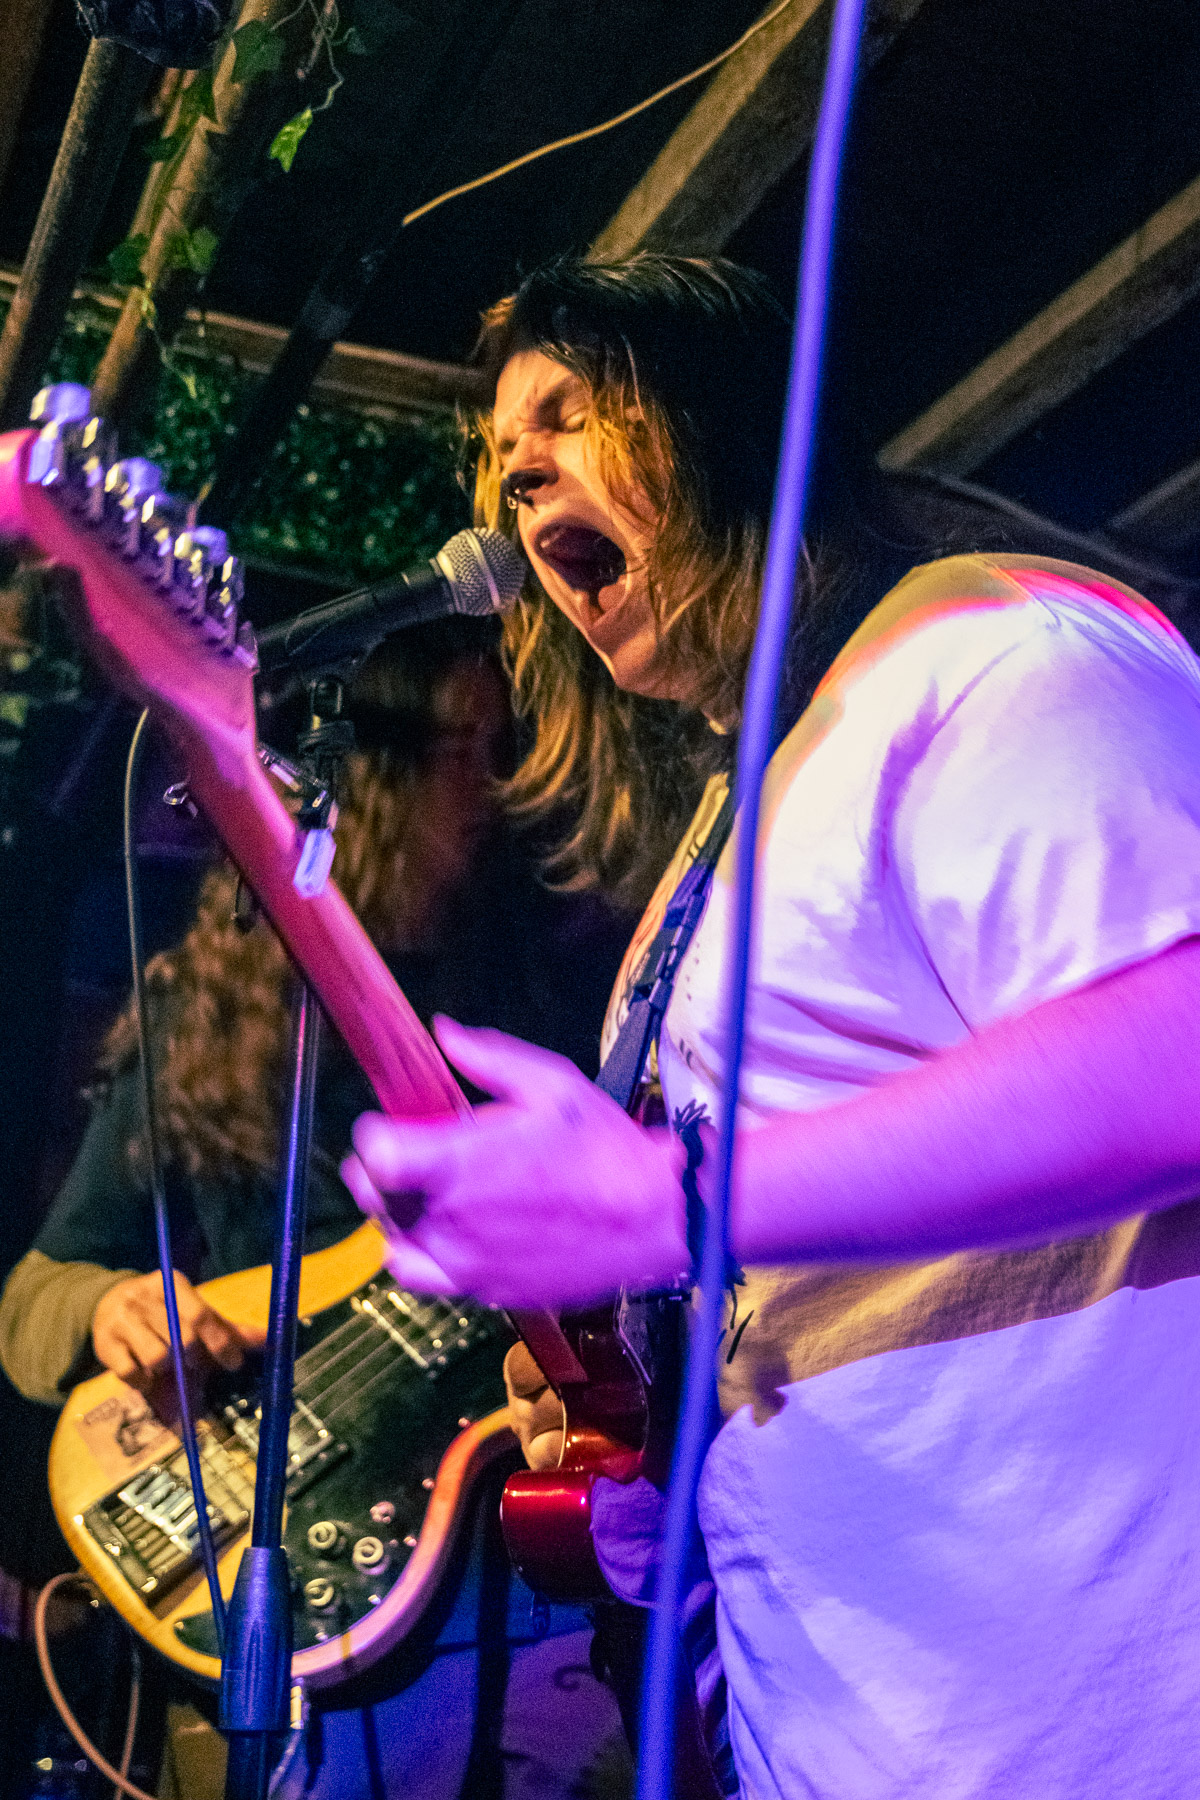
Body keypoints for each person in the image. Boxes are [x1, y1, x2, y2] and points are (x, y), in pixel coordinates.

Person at [342, 255, 1200, 1800]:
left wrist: (662, 1200)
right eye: (502, 455)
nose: (520, 473)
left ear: (724, 420)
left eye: (572, 413)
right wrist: (634, 1388)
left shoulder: (990, 652)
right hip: (852, 1733)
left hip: (1080, 1729)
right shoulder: (736, 825)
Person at [0, 621, 629, 1799]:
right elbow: (33, 1300)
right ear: (373, 776)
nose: (496, 786)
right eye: (467, 749)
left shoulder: (551, 1000)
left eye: (505, 748)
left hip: (521, 1592)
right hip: (282, 1597)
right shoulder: (207, 1017)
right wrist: (117, 1310)